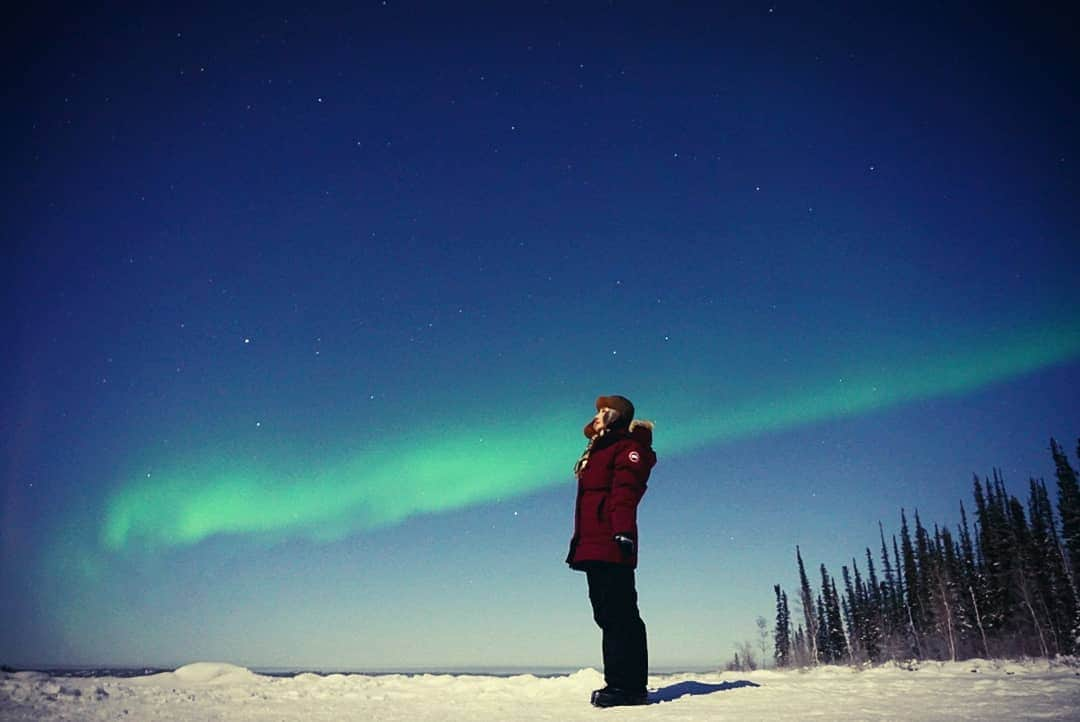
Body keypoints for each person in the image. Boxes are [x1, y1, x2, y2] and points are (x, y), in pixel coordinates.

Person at [566, 394, 656, 707]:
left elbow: (626, 491)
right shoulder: (600, 448)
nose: (600, 414)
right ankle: (618, 682)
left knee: (621, 614)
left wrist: (622, 532)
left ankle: (629, 687)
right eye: (599, 410)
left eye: (607, 410)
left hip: (612, 540)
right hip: (593, 541)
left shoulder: (626, 449)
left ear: (620, 416)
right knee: (605, 613)